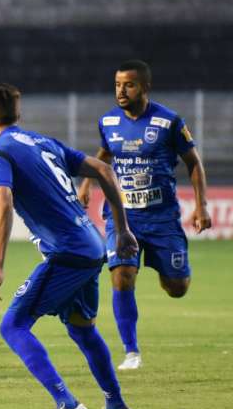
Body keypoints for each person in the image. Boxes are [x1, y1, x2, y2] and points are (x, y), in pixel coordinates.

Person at [0, 83, 139, 409]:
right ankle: (116, 408)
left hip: (67, 252)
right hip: (93, 245)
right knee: (82, 328)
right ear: (18, 115)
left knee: (13, 325)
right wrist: (123, 229)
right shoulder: (42, 142)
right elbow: (102, 169)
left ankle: (67, 405)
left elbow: (2, 202)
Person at [75, 60, 211, 370]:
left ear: (145, 88)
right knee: (121, 277)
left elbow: (193, 162)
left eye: (129, 85)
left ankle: (168, 271)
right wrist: (86, 184)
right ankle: (131, 352)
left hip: (162, 218)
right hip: (123, 217)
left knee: (177, 287)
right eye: (117, 85)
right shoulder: (108, 122)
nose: (121, 91)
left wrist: (201, 206)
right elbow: (105, 153)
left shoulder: (169, 122)